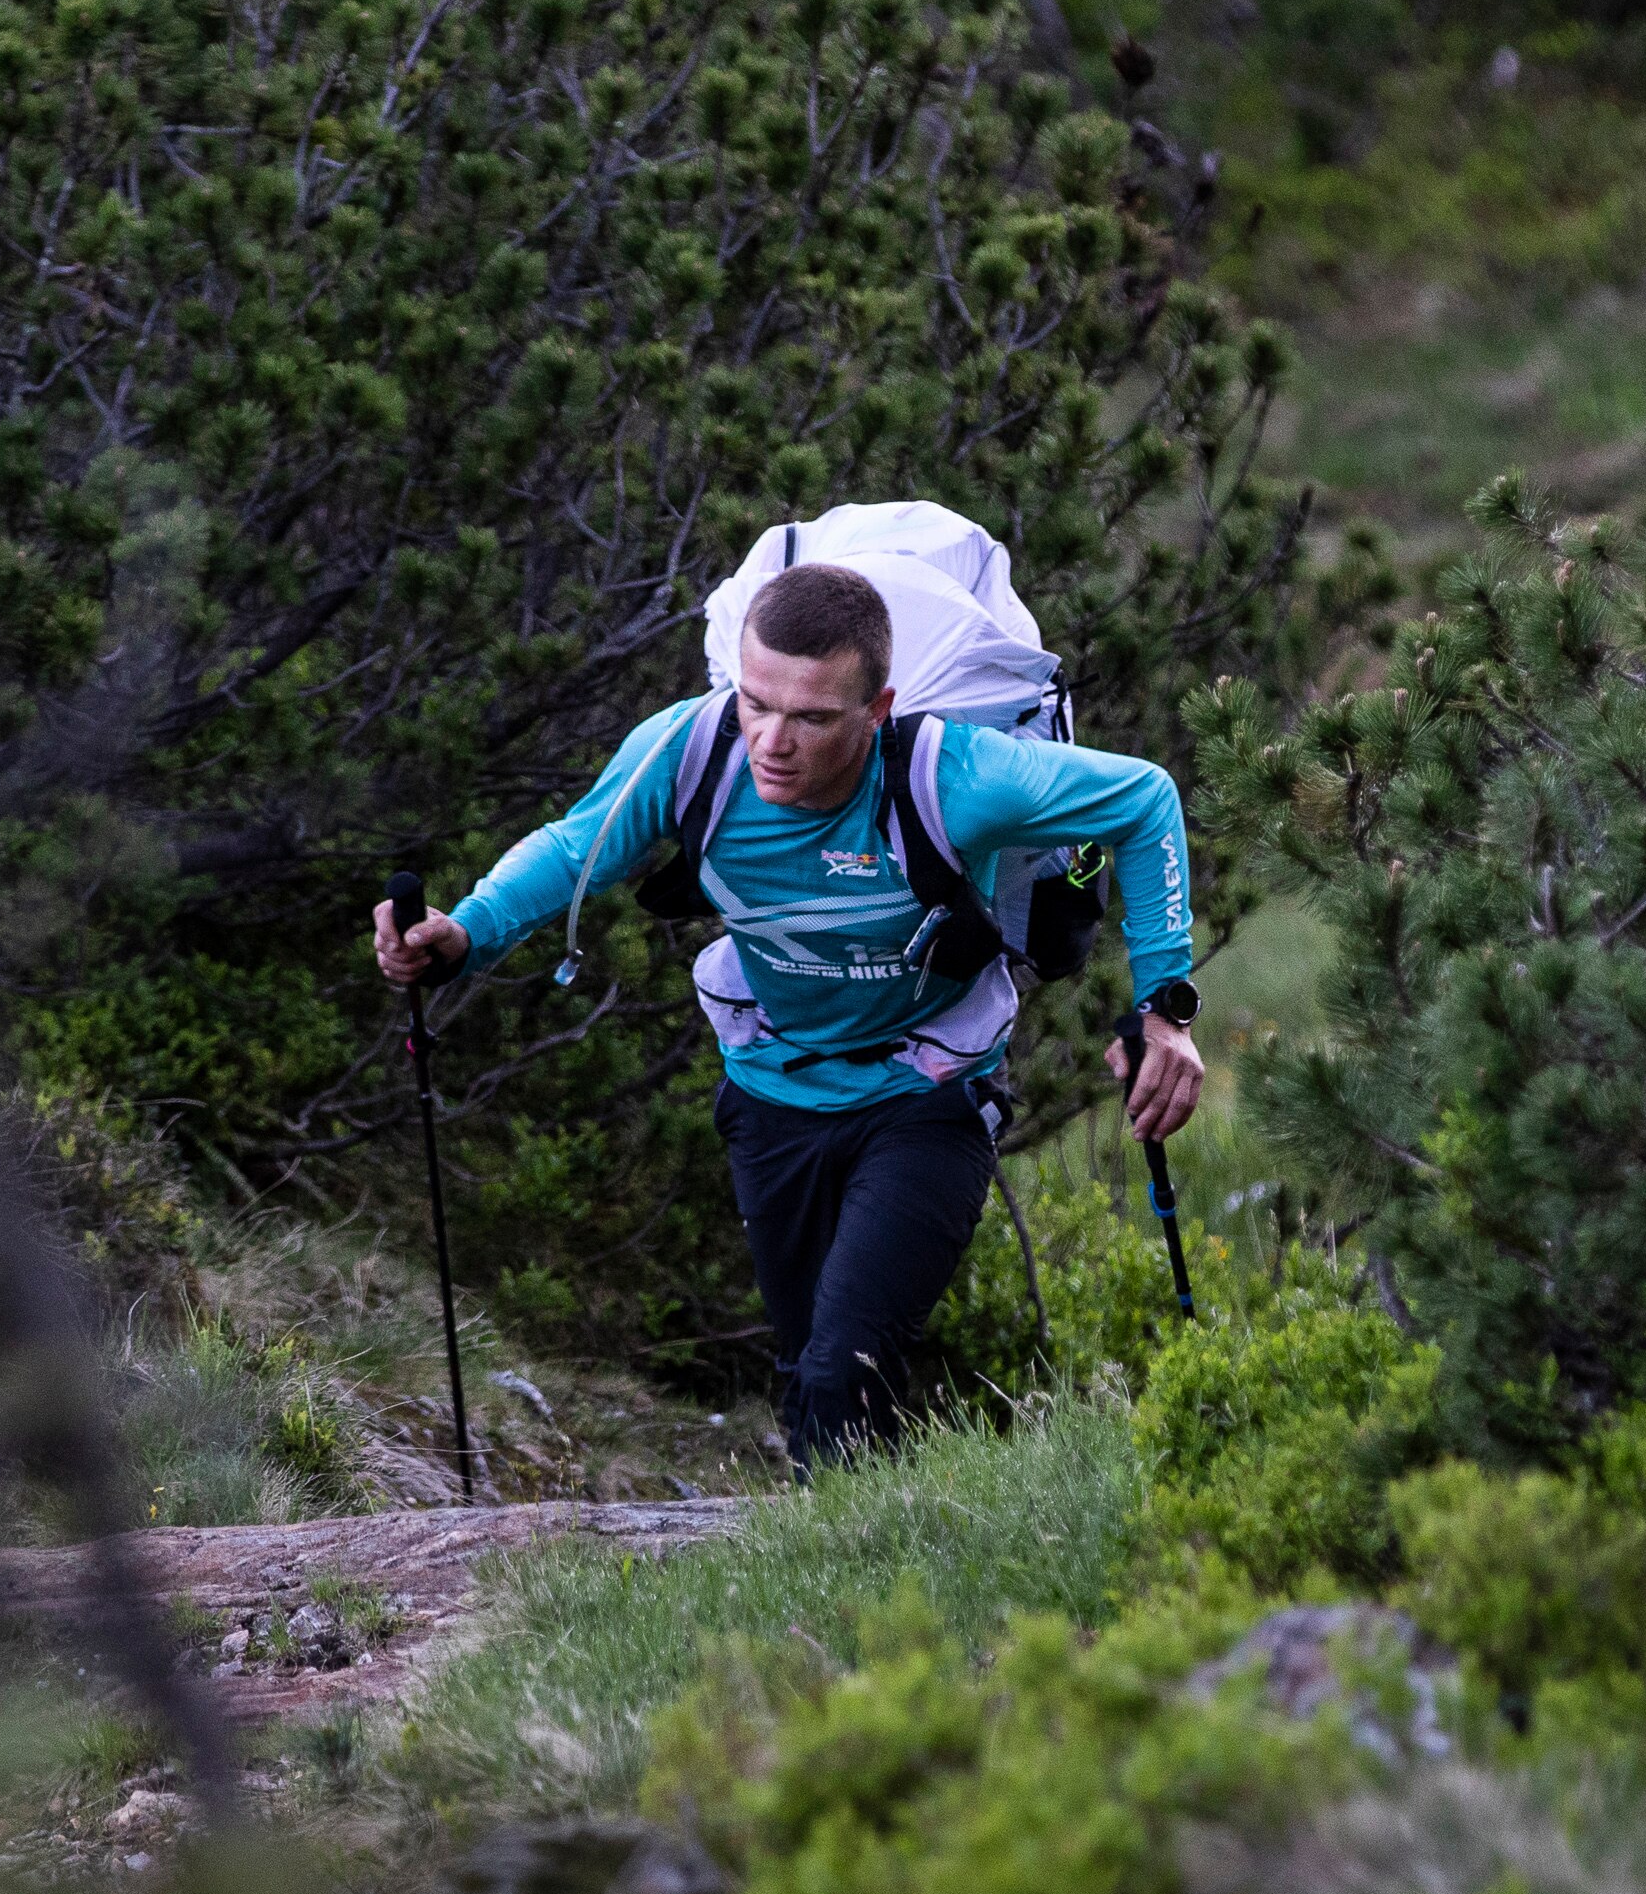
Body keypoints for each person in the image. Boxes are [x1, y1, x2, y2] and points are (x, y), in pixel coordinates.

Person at [375, 562, 1203, 1469]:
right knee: (805, 1367)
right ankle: (854, 1560)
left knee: (842, 1368)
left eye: (811, 717)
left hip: (926, 1094)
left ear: (877, 709)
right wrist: (465, 933)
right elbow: (579, 844)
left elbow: (1144, 797)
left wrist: (1165, 1009)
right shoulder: (691, 753)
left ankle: (865, 1583)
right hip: (771, 1092)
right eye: (755, 702)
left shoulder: (952, 776)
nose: (772, 739)